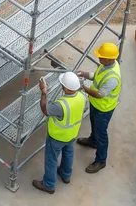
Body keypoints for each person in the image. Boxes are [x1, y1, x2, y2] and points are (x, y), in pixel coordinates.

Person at [33, 71, 86, 194]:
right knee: (68, 153)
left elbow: (45, 109)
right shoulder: (82, 97)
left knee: (51, 159)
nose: (61, 86)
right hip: (72, 133)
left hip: (57, 137)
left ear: (66, 88)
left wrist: (44, 92)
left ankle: (49, 185)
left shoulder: (61, 105)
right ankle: (66, 175)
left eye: (62, 84)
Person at [77, 42, 122, 174]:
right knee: (94, 124)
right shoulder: (106, 64)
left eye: (101, 57)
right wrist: (84, 74)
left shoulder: (113, 78)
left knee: (102, 133)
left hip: (104, 108)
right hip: (96, 105)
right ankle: (93, 140)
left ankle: (101, 160)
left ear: (110, 59)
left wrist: (83, 88)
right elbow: (96, 76)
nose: (99, 59)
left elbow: (99, 94)